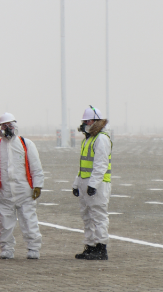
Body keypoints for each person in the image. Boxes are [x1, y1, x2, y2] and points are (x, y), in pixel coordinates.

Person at [0, 113, 44, 260]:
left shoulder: (26, 144)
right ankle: (6, 248)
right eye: (3, 125)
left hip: (24, 191)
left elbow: (36, 167)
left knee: (29, 221)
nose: (6, 128)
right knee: (5, 224)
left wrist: (38, 185)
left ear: (15, 126)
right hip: (4, 192)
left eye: (9, 125)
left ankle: (33, 248)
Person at [73, 106, 112, 261]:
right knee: (87, 216)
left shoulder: (101, 138)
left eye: (87, 121)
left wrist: (93, 184)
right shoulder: (89, 139)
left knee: (98, 216)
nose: (84, 124)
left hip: (98, 184)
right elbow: (84, 165)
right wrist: (77, 183)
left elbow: (101, 164)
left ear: (95, 121)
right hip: (85, 182)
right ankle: (90, 246)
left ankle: (101, 247)